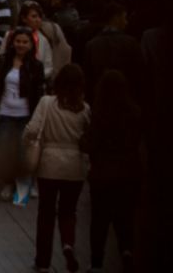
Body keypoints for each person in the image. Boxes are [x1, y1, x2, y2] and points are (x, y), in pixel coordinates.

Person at [25, 64, 90, 273]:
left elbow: (33, 129)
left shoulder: (46, 103)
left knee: (46, 212)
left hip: (49, 164)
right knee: (68, 211)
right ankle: (68, 245)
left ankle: (43, 261)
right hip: (75, 167)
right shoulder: (85, 109)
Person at [82, 70, 139, 272]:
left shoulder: (99, 114)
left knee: (99, 220)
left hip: (102, 174)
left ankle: (97, 261)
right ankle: (126, 249)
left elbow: (90, 144)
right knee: (125, 216)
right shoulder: (134, 113)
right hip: (128, 173)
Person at [0, 26, 45, 201]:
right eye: (18, 41)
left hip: (25, 114)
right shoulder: (4, 60)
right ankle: (8, 183)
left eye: (25, 42)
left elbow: (38, 92)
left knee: (25, 152)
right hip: (5, 112)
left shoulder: (36, 66)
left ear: (31, 44)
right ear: (12, 42)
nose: (21, 45)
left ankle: (24, 184)